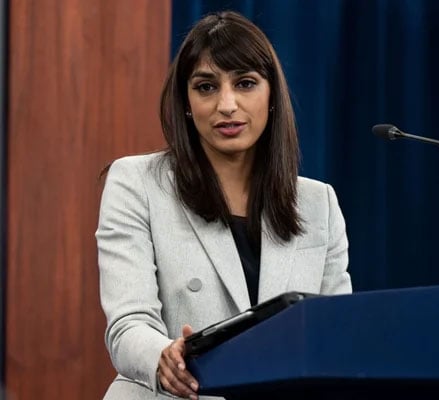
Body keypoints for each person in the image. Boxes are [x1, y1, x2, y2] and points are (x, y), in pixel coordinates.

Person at [96, 11, 352, 399]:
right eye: (206, 87)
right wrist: (163, 356)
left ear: (271, 97)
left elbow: (336, 334)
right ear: (186, 101)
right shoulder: (137, 182)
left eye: (245, 83)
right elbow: (128, 323)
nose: (227, 104)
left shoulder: (319, 203)